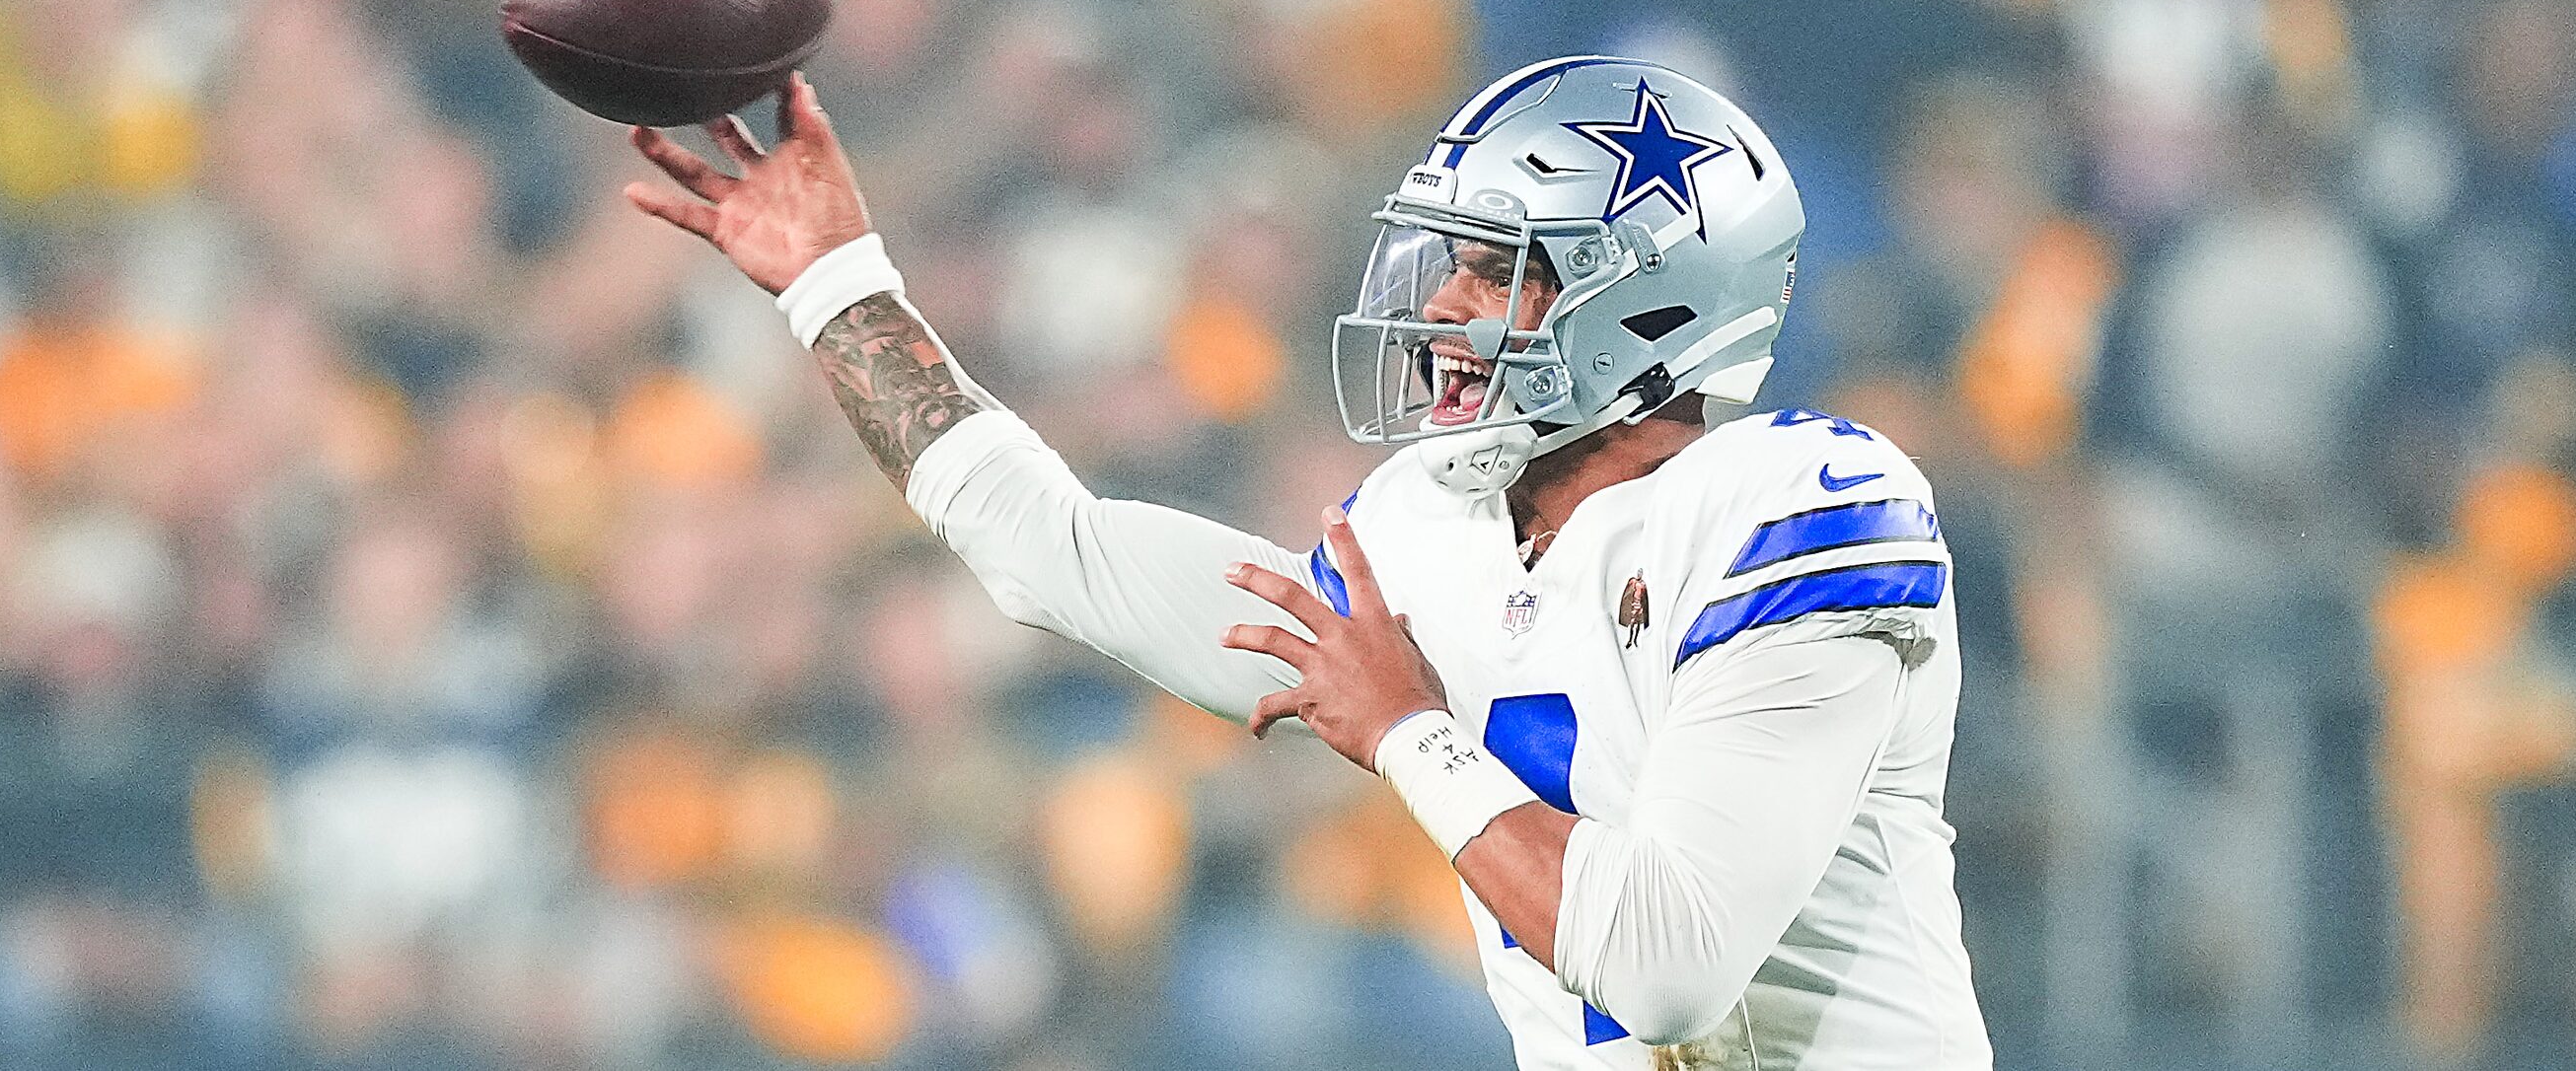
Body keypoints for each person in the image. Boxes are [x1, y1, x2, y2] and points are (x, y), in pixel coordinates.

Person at [626, 56, 1992, 1068]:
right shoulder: (1423, 530)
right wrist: (833, 283)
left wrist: (1406, 727)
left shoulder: (1803, 498)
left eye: (1496, 268)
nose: (1439, 307)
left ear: (1653, 296)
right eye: (1441, 262)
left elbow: (1668, 966)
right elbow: (1059, 555)